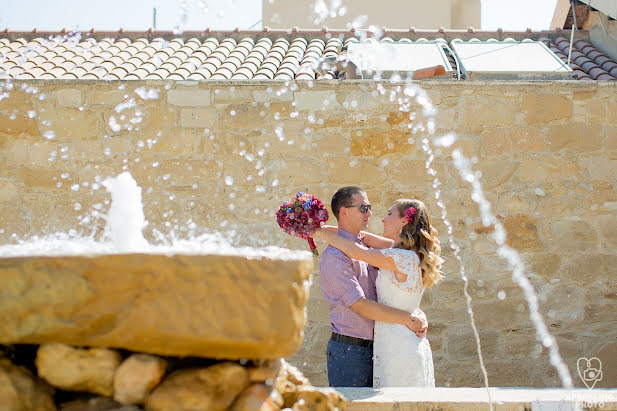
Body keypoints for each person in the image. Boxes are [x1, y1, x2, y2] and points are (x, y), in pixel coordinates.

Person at [314, 195, 443, 388]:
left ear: (404, 220)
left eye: (390, 214)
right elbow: (360, 238)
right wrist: (316, 229)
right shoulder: (407, 253)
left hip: (398, 343)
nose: (383, 218)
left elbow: (356, 251)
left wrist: (317, 233)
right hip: (400, 339)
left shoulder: (399, 257)